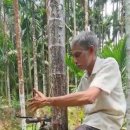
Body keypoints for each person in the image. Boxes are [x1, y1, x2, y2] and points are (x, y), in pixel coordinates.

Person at [28, 31, 126, 130]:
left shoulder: (109, 65)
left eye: (78, 55)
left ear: (91, 50)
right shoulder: (85, 78)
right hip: (91, 123)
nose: (74, 60)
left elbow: (89, 97)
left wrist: (48, 100)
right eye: (73, 56)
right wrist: (47, 113)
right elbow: (76, 100)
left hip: (107, 123)